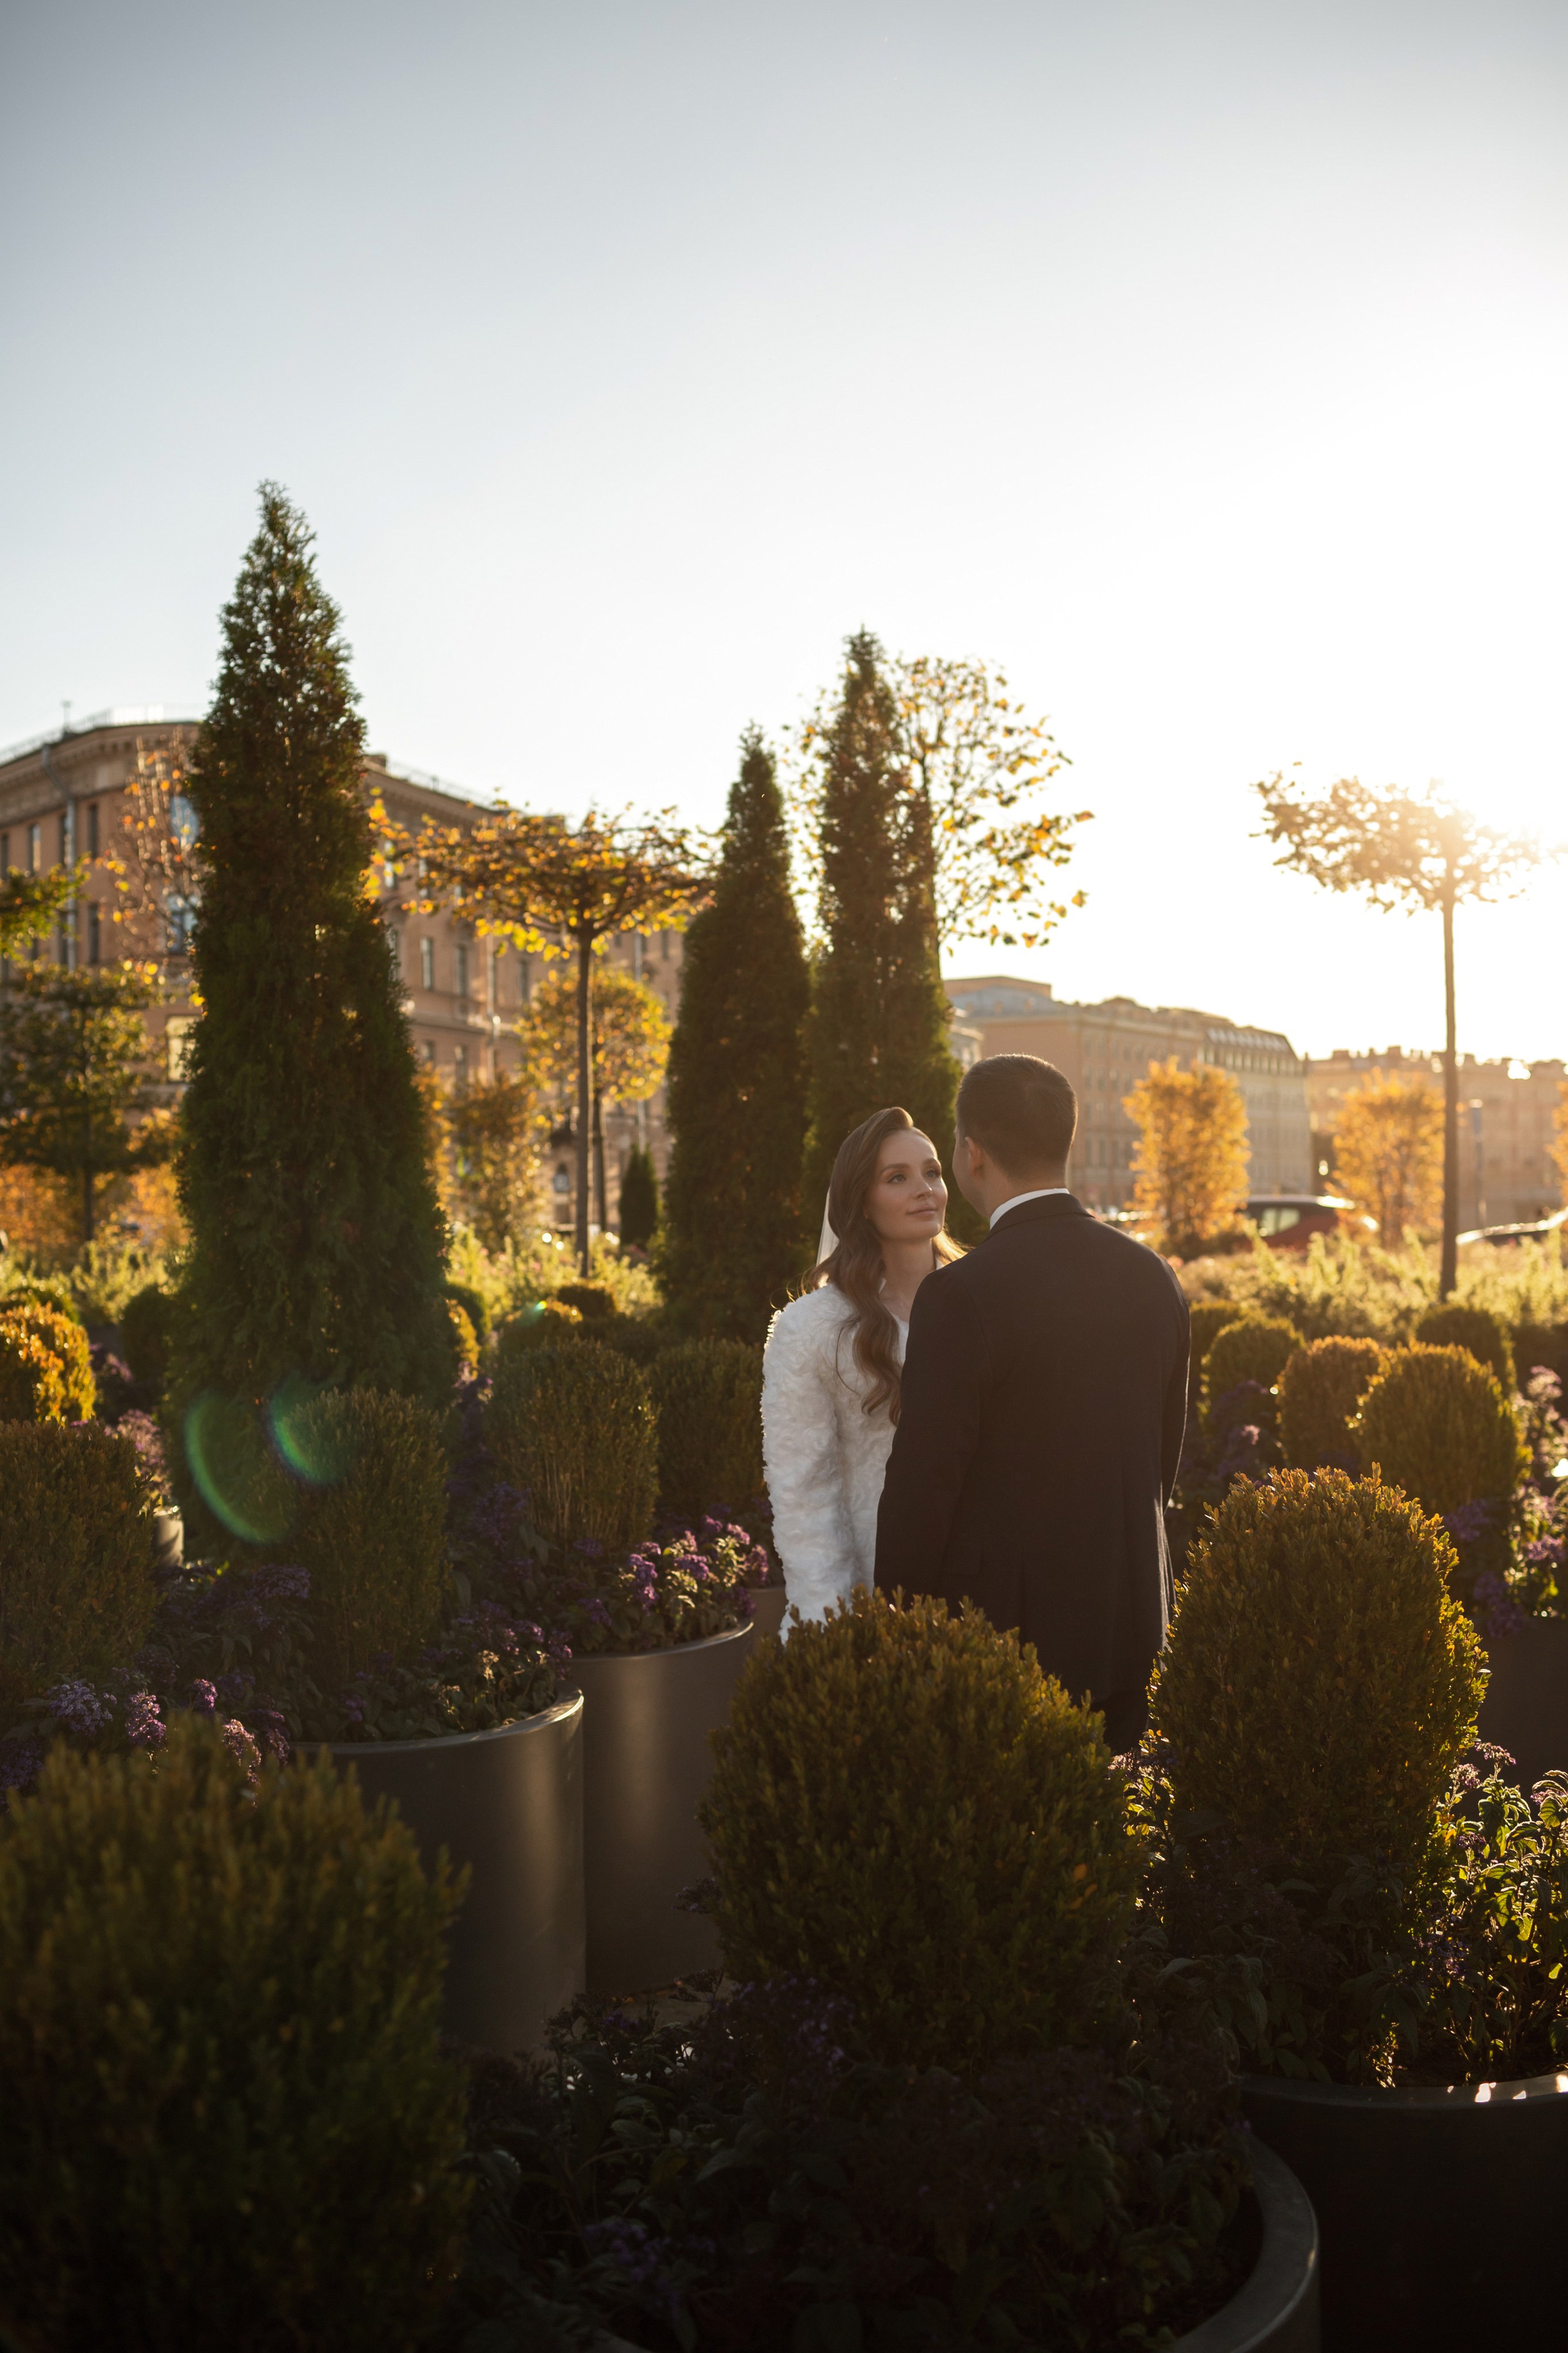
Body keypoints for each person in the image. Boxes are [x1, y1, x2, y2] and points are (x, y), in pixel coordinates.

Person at [873, 1054, 1189, 1753]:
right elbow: (1159, 1463)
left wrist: (890, 1624)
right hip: (1131, 1622)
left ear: (971, 1153)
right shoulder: (1152, 1277)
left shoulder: (960, 1295)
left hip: (1006, 1644)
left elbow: (926, 1484)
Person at [761, 1106, 962, 1626]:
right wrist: (838, 1621)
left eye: (933, 1172)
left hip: (984, 1581)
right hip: (872, 1590)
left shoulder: (982, 1301)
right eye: (898, 1177)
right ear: (862, 1204)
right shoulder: (810, 1328)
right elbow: (803, 1492)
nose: (925, 1188)